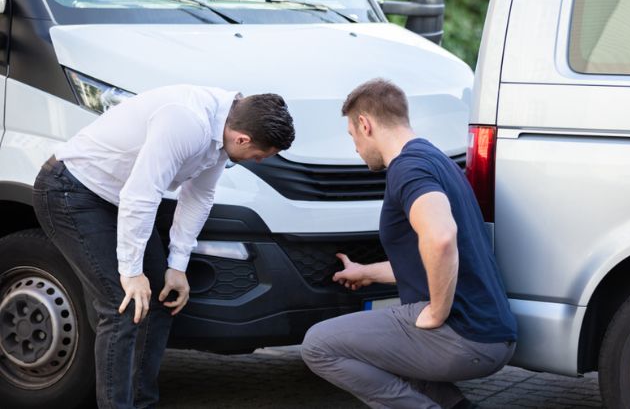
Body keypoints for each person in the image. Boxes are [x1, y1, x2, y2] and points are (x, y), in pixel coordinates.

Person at [32, 85, 295, 409]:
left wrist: (177, 267)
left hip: (118, 199)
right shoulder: (187, 122)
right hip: (71, 191)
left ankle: (143, 403)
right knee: (123, 303)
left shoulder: (225, 128)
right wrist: (130, 271)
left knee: (158, 297)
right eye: (259, 156)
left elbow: (198, 196)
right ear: (243, 138)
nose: (255, 161)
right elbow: (141, 195)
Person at [301, 79, 517, 409]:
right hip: (492, 332)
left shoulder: (407, 168)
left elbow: (441, 238)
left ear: (365, 124)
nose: (356, 148)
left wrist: (436, 311)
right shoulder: (434, 158)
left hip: (462, 336)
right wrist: (367, 272)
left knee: (318, 345)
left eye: (352, 136)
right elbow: (428, 255)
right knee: (381, 348)